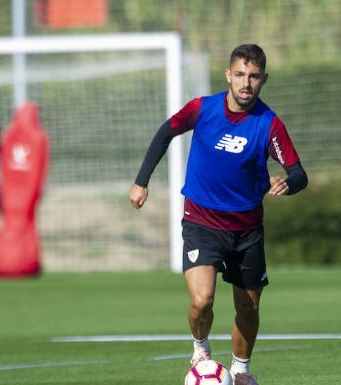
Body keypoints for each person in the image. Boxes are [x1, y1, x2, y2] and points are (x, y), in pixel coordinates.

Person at [129, 44, 307, 385]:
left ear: (263, 80)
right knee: (202, 300)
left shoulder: (268, 124)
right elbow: (166, 131)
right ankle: (201, 350)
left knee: (248, 306)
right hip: (202, 223)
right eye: (240, 74)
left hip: (247, 230)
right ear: (228, 75)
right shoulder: (203, 109)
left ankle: (240, 370)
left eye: (254, 76)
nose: (246, 83)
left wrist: (288, 183)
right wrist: (141, 182)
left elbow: (299, 172)